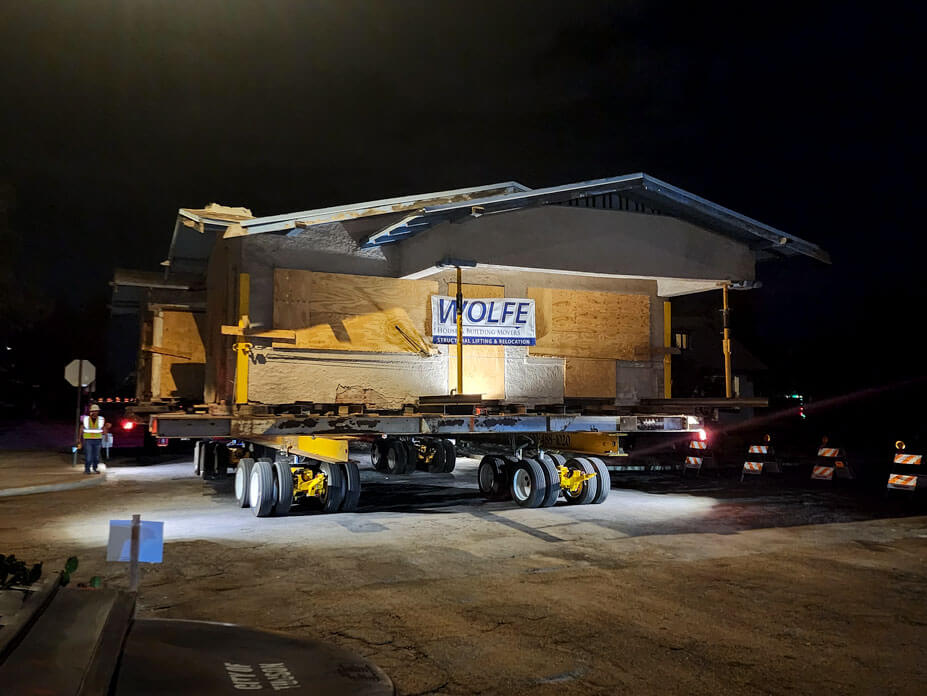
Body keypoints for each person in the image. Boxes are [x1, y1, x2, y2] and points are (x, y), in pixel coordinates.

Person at [79, 403, 105, 474]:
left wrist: (105, 436)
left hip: (98, 440)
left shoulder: (101, 419)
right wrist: (79, 440)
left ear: (98, 411)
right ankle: (87, 470)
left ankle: (95, 468)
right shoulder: (86, 419)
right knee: (88, 456)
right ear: (90, 411)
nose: (94, 412)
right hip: (88, 440)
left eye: (96, 411)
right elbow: (81, 428)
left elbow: (103, 428)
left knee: (96, 457)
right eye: (93, 411)